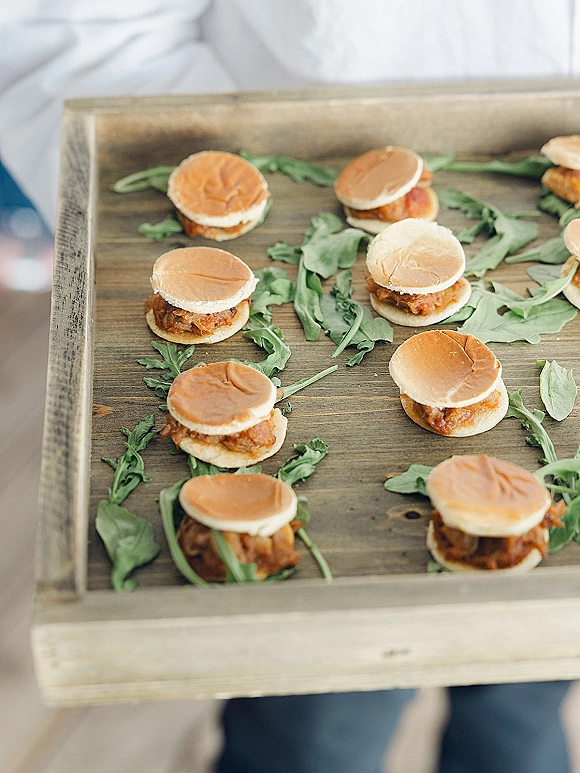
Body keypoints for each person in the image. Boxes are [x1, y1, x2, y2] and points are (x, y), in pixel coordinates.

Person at [0, 2, 575, 771]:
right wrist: (226, 178)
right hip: (257, 159)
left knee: (523, 700)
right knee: (313, 731)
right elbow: (72, 30)